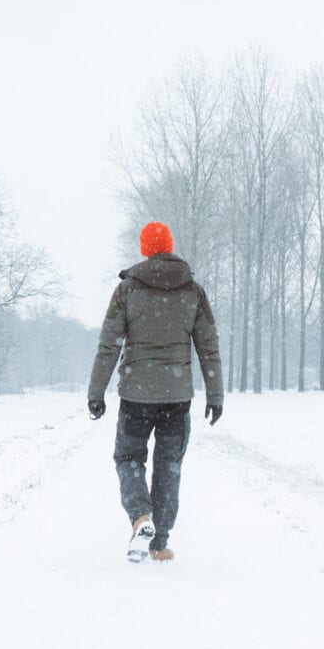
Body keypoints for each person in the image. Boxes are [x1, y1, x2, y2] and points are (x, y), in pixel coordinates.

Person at [87, 221, 224, 563]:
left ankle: (141, 517)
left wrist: (97, 391)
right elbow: (209, 347)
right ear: (170, 246)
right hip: (177, 397)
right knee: (168, 464)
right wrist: (215, 395)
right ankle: (159, 544)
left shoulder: (128, 290)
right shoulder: (193, 290)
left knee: (129, 457)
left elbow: (109, 345)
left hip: (136, 394)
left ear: (145, 249)